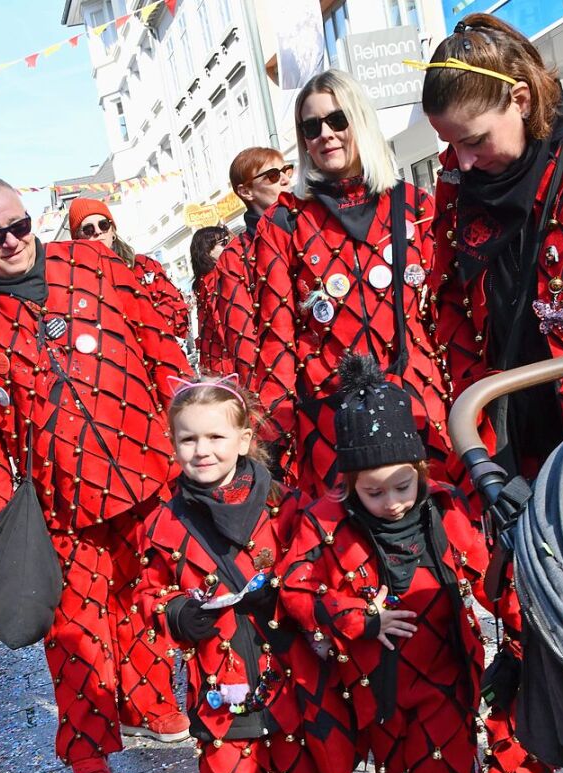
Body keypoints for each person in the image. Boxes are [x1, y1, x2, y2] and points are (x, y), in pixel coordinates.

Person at [0, 176, 192, 773]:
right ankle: (86, 749)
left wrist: (195, 426)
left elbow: (160, 350)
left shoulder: (95, 265)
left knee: (149, 596)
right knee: (74, 629)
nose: (11, 242)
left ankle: (151, 700)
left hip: (145, 462)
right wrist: (7, 525)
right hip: (58, 499)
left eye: (19, 226)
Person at [421, 13, 563, 773]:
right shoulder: (459, 191)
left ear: (523, 99)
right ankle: (526, 758)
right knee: (527, 591)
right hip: (514, 420)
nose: (462, 159)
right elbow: (453, 308)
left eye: (474, 139)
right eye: (450, 145)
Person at [279, 354, 523, 773]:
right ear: (347, 483)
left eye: (402, 485)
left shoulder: (442, 509)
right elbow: (294, 585)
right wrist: (360, 618)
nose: (391, 501)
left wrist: (525, 629)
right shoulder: (325, 522)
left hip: (443, 671)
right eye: (373, 490)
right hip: (372, 686)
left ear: (419, 467)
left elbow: (491, 576)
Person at [135, 374, 354, 773]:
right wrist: (176, 612)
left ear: (244, 437)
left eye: (214, 436)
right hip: (219, 676)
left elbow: (318, 567)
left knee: (301, 765)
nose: (201, 450)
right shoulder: (162, 519)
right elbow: (147, 591)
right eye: (187, 439)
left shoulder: (285, 505)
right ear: (172, 442)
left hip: (288, 666)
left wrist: (287, 592)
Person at [250, 70, 451, 496]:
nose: (325, 134)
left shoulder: (415, 205)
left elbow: (443, 313)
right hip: (331, 418)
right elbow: (277, 337)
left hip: (418, 402)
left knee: (440, 535)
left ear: (359, 120)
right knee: (348, 551)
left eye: (337, 120)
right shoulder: (284, 223)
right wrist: (271, 432)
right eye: (311, 126)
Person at [201, 150, 293, 381]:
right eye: (272, 175)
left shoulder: (311, 225)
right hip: (281, 379)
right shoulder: (235, 256)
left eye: (286, 170)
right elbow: (242, 341)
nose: (285, 179)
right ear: (245, 191)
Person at [68, 198, 189, 339]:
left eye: (103, 225)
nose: (98, 232)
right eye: (88, 229)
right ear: (77, 238)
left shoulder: (143, 267)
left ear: (112, 231)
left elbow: (177, 314)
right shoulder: (75, 282)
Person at [190, 226, 231, 374]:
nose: (228, 246)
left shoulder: (203, 279)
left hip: (213, 355)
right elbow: (220, 321)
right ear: (207, 250)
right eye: (223, 242)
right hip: (224, 358)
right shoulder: (213, 278)